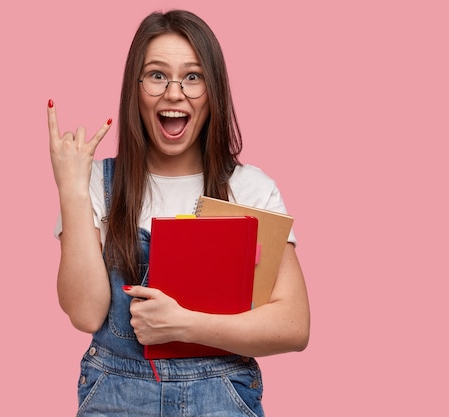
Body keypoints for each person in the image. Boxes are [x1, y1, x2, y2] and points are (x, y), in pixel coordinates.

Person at [47, 9, 310, 416]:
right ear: (135, 89)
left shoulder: (248, 189)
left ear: (213, 90)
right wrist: (71, 189)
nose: (174, 92)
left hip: (222, 397)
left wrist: (184, 325)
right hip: (117, 399)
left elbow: (293, 325)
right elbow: (85, 313)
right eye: (156, 75)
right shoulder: (96, 184)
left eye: (192, 76)